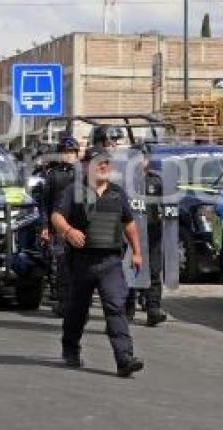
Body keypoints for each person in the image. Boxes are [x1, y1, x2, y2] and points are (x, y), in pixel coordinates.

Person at [51, 146, 145, 377]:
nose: (103, 167)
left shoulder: (117, 193)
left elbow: (129, 224)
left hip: (110, 262)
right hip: (82, 261)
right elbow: (56, 216)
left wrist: (137, 252)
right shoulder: (74, 191)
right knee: (77, 309)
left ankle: (124, 359)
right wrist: (68, 231)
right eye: (98, 163)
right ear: (86, 166)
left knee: (115, 307)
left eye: (106, 163)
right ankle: (70, 348)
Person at [126, 144, 168, 327]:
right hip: (130, 234)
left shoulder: (156, 182)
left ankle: (153, 310)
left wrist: (167, 216)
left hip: (152, 233)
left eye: (142, 157)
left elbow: (169, 206)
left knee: (153, 271)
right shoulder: (124, 182)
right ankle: (126, 312)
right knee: (129, 273)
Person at [40, 136, 80, 317]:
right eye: (66, 152)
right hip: (59, 226)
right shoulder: (53, 175)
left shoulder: (84, 174)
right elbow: (45, 203)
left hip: (80, 226)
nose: (69, 155)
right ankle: (63, 303)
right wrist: (45, 226)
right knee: (61, 265)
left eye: (72, 152)